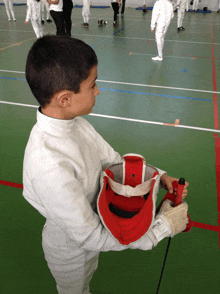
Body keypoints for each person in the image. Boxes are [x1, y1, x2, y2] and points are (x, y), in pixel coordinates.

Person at [23, 35, 189, 294]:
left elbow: (114, 163)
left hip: (90, 230)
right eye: (93, 85)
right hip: (72, 252)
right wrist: (159, 230)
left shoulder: (75, 124)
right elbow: (91, 236)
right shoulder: (49, 164)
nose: (98, 91)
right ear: (65, 98)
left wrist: (160, 177)